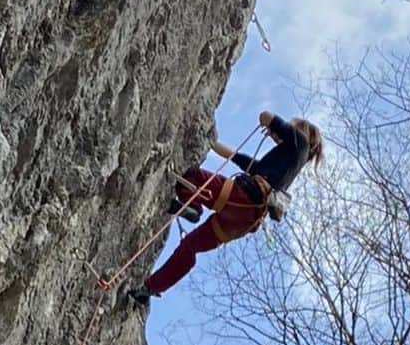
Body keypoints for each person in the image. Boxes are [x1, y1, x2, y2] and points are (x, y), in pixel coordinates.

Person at [128, 111, 323, 305]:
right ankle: (150, 289)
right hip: (244, 222)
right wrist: (211, 141)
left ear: (300, 131)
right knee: (190, 246)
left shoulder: (301, 142)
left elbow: (266, 116)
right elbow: (234, 156)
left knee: (193, 177)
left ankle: (194, 209)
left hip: (242, 196)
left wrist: (271, 127)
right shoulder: (281, 168)